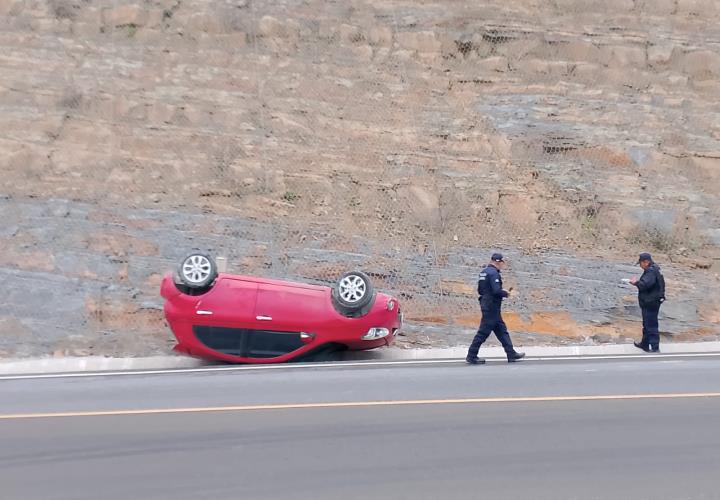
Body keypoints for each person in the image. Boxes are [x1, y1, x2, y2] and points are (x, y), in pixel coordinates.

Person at [466, 253, 526, 364]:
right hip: (491, 307)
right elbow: (496, 291)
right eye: (502, 263)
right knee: (483, 332)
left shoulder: (483, 272)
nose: (503, 265)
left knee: (502, 331)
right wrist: (506, 293)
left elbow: (480, 290)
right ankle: (471, 355)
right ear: (498, 262)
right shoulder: (494, 273)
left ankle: (511, 353)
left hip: (487, 305)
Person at [630, 252, 666, 353]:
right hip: (651, 301)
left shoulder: (650, 272)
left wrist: (635, 282)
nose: (640, 265)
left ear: (646, 262)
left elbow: (645, 285)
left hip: (651, 302)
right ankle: (645, 344)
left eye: (641, 263)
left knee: (651, 325)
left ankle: (655, 348)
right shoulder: (655, 269)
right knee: (647, 324)